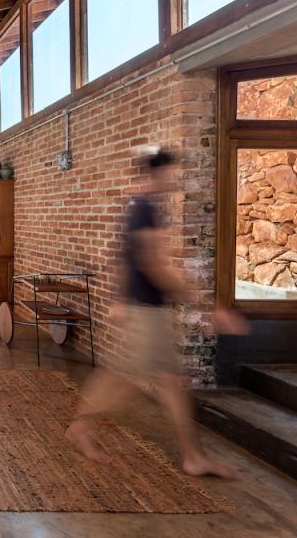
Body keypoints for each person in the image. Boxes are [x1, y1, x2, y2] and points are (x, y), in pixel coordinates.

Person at [65, 146, 249, 478]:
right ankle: (81, 428)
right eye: (174, 171)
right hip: (148, 311)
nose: (177, 178)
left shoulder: (139, 206)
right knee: (125, 380)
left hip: (144, 308)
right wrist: (204, 304)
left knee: (157, 382)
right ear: (160, 172)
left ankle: (192, 456)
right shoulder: (146, 208)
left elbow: (121, 256)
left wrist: (119, 299)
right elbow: (152, 264)